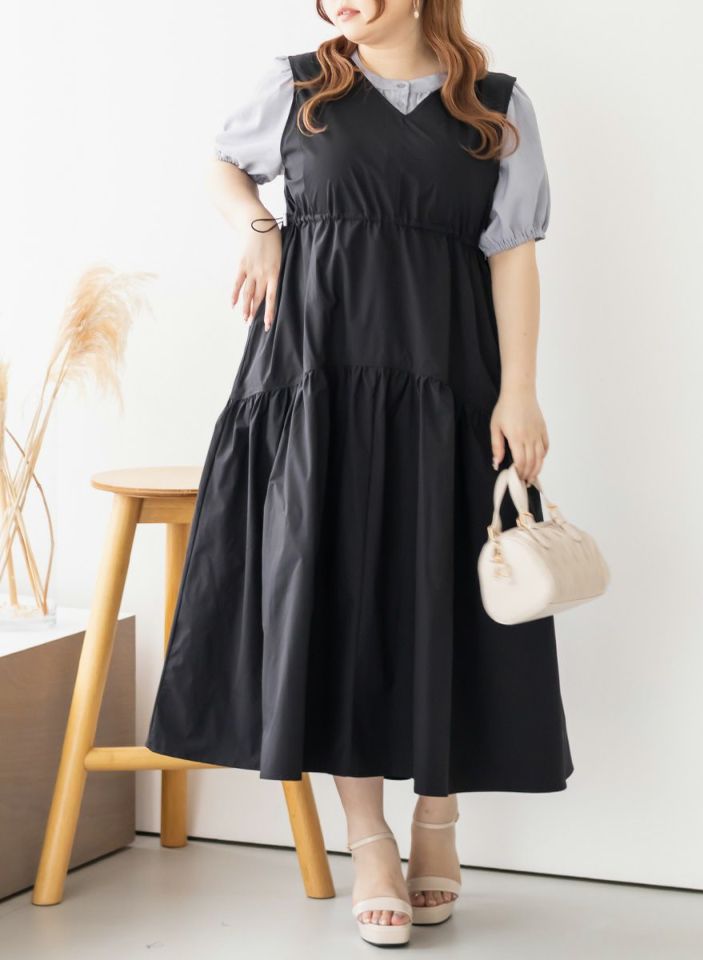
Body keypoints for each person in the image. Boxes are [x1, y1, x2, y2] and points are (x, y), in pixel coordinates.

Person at [145, 0, 573, 947]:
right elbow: (220, 163)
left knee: (442, 594)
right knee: (335, 596)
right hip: (317, 381)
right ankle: (369, 839)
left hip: (445, 382)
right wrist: (259, 222)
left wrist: (521, 391)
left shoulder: (494, 106)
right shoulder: (300, 86)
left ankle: (437, 818)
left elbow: (513, 254)